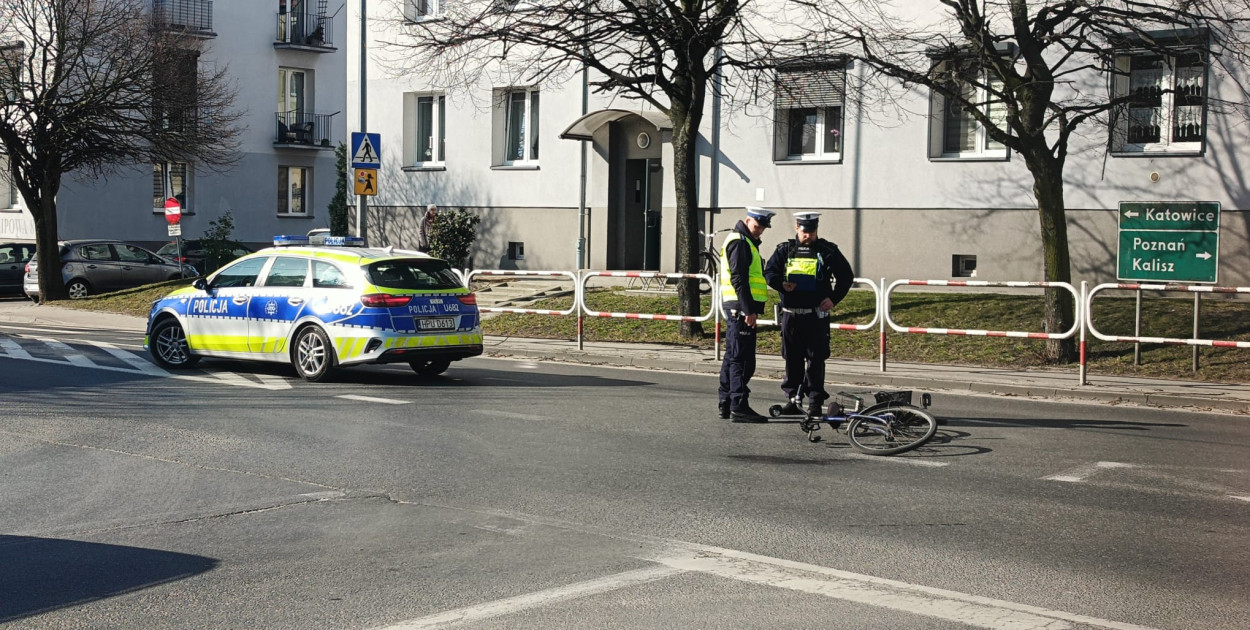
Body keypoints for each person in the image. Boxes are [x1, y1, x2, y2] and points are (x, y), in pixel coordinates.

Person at [763, 211, 855, 417]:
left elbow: (846, 276)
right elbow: (769, 272)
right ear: (797, 227)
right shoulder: (785, 250)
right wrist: (781, 284)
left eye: (812, 231)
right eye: (805, 231)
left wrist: (833, 299)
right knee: (792, 359)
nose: (808, 235)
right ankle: (793, 400)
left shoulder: (827, 250)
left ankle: (814, 402)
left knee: (815, 359)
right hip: (792, 315)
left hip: (816, 316)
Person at [718, 206, 774, 423]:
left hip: (737, 308)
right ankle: (739, 406)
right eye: (757, 226)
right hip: (740, 309)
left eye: (762, 228)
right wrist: (748, 310)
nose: (760, 231)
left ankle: (726, 402)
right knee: (742, 361)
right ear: (748, 220)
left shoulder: (743, 240)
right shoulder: (741, 242)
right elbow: (739, 279)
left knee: (732, 358)